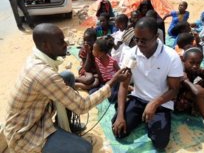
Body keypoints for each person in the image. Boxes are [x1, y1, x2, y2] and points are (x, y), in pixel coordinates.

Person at [3, 23, 130, 153]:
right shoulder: (43, 73)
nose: (66, 44)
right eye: (60, 42)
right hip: (24, 133)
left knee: (67, 77)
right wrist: (113, 81)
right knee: (85, 149)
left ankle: (65, 125)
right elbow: (82, 106)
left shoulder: (37, 58)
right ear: (46, 45)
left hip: (37, 116)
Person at [112, 17, 183, 149]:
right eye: (136, 39)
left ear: (156, 36)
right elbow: (123, 85)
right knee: (119, 131)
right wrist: (120, 116)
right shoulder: (131, 54)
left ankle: (148, 120)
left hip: (161, 104)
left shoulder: (171, 57)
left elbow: (174, 90)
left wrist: (154, 103)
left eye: (144, 40)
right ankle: (136, 115)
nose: (139, 44)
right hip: (138, 99)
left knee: (160, 143)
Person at [175, 47, 204, 141]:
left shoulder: (194, 68)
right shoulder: (181, 72)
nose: (195, 66)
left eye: (198, 63)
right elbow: (197, 91)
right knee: (197, 92)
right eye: (192, 63)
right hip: (178, 102)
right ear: (183, 60)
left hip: (190, 93)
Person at [92, 36, 120, 102]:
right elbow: (99, 73)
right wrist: (103, 84)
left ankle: (123, 91)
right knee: (91, 92)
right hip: (105, 82)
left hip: (114, 81)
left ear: (101, 53)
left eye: (94, 50)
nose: (92, 51)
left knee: (111, 98)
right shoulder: (97, 59)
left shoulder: (112, 61)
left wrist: (114, 81)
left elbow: (120, 72)